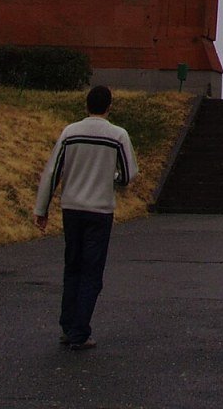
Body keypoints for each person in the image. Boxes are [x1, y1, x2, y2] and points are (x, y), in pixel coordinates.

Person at [34, 85, 138, 349]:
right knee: (92, 271)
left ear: (86, 105)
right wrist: (110, 176)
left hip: (72, 208)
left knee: (73, 267)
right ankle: (80, 330)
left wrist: (42, 209)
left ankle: (68, 325)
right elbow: (127, 176)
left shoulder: (70, 132)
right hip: (100, 210)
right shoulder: (118, 135)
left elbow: (52, 172)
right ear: (109, 106)